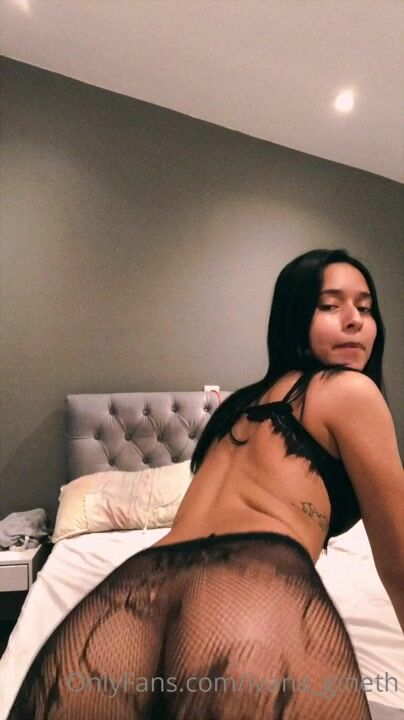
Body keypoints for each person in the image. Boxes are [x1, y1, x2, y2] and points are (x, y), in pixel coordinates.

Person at [9, 248, 403, 719]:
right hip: (249, 595)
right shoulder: (351, 391)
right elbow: (398, 560)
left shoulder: (236, 411)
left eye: (365, 307)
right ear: (295, 315)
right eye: (330, 305)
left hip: (123, 603)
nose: (355, 320)